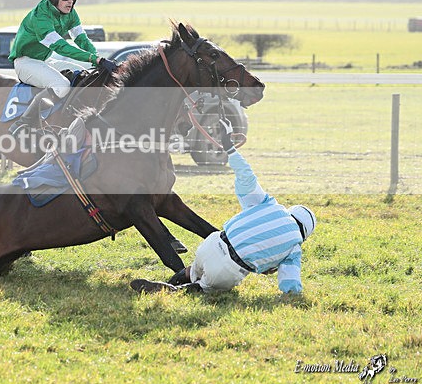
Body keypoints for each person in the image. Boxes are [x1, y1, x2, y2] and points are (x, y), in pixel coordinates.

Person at [131, 119, 317, 295]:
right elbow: (289, 283)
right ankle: (176, 291)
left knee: (191, 271)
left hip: (212, 244)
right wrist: (293, 292)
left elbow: (246, 176)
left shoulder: (270, 205)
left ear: (291, 212)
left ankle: (172, 282)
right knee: (203, 286)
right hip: (229, 269)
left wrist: (230, 148)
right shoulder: (294, 248)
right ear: (305, 234)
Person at [7, 0, 117, 135]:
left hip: (44, 61)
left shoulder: (71, 13)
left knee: (82, 74)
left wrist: (97, 58)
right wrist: (95, 59)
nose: (70, 1)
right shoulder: (40, 17)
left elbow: (81, 40)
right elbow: (61, 47)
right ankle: (23, 124)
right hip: (25, 63)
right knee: (62, 86)